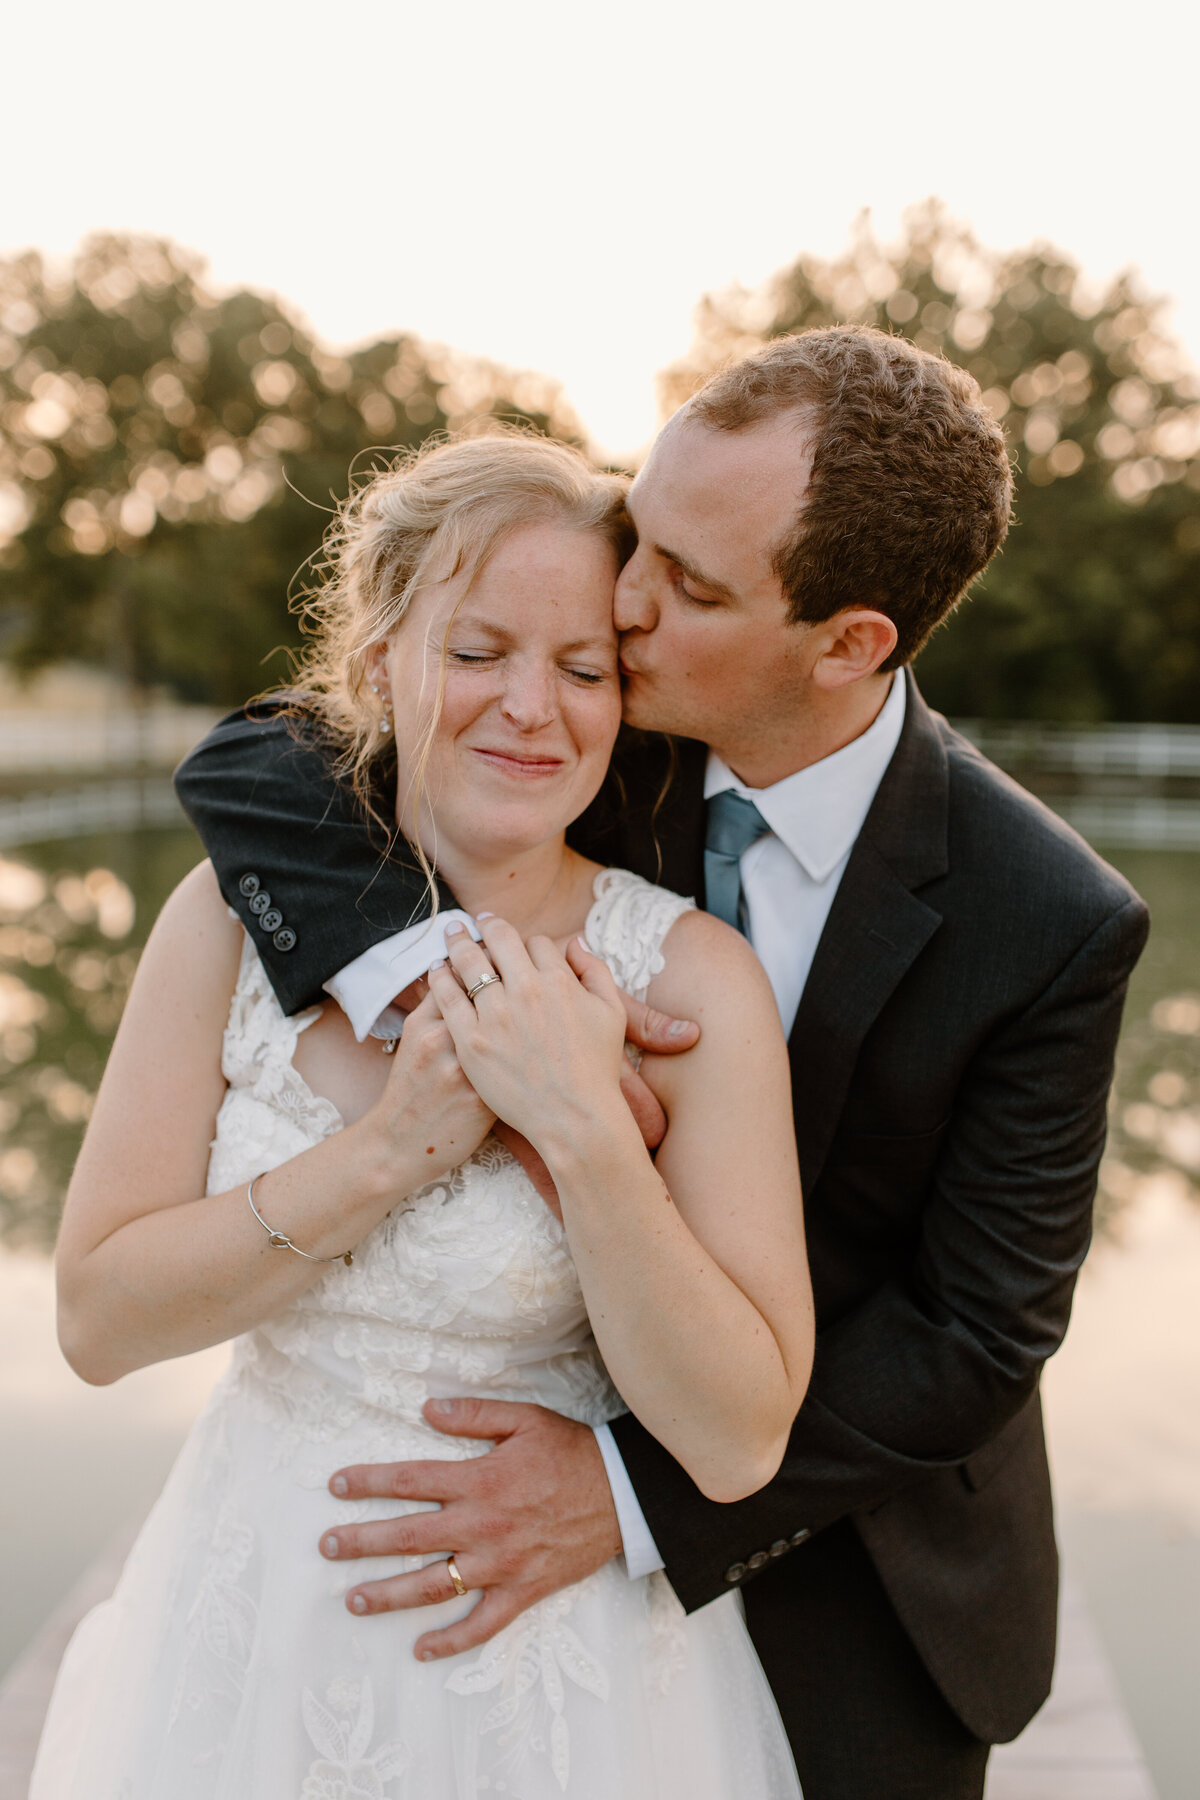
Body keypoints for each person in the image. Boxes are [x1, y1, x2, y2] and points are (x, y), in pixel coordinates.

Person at [173, 326, 1150, 1800]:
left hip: (856, 1570)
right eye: (641, 528)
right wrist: (464, 1003)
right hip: (472, 1526)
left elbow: (975, 1336)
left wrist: (625, 1500)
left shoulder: (1050, 921)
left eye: (687, 584)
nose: (620, 599)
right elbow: (256, 758)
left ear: (847, 644)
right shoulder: (583, 725)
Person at [31, 433, 815, 1800]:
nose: (531, 707)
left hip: (552, 1688)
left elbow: (739, 1438)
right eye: (477, 650)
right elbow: (98, 1322)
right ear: (382, 651)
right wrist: (392, 1150)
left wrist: (577, 1127)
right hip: (244, 1640)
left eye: (582, 670)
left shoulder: (691, 982)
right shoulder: (224, 918)